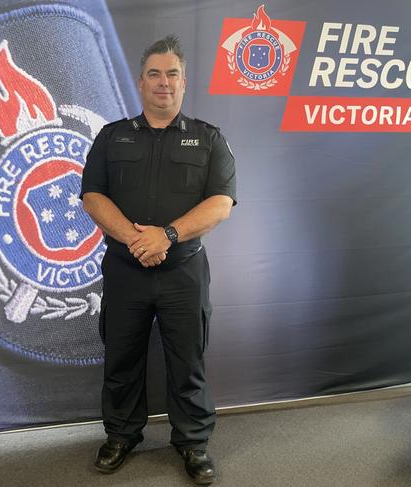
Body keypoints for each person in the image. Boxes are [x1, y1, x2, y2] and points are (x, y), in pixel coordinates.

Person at [80, 34, 236, 485]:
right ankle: (122, 435)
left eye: (171, 74)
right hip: (126, 269)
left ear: (183, 83)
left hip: (184, 270)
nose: (163, 82)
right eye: (154, 73)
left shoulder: (209, 139)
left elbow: (221, 202)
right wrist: (136, 240)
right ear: (141, 82)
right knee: (122, 357)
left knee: (187, 360)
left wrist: (166, 235)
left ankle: (192, 442)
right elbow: (92, 196)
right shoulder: (112, 137)